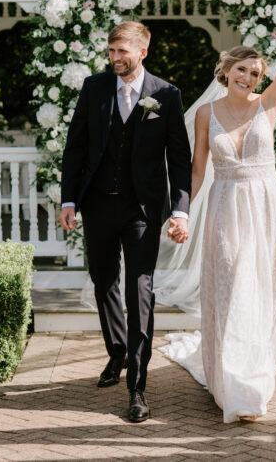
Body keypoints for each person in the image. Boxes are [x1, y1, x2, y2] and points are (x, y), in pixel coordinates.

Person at [163, 2, 276, 424]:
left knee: (257, 290)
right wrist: (181, 214)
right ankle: (230, 381)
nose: (249, 79)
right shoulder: (205, 114)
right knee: (231, 287)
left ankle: (253, 378)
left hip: (264, 207)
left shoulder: (269, 105)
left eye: (256, 73)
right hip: (225, 207)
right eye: (243, 70)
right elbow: (197, 171)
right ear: (226, 70)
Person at [58, 21, 192, 423]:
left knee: (139, 288)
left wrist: (180, 209)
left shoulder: (166, 96)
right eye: (111, 51)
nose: (115, 58)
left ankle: (138, 385)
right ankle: (116, 351)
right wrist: (69, 199)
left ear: (142, 52)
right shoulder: (94, 87)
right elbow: (76, 146)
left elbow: (179, 158)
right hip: (98, 205)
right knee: (103, 281)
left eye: (122, 52)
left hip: (142, 212)